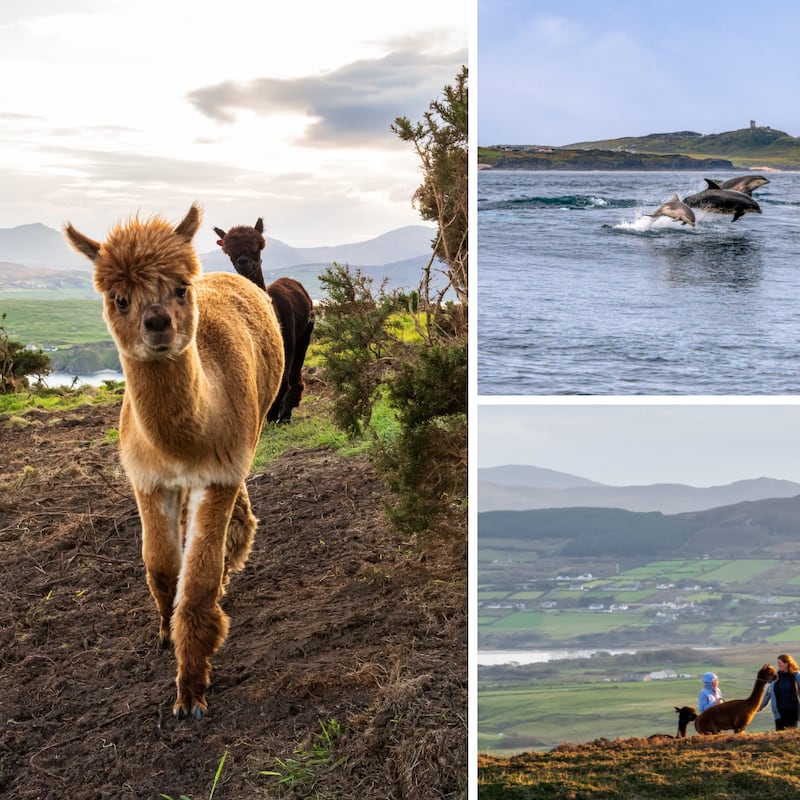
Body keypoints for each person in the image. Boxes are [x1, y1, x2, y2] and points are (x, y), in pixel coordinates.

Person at [760, 654, 800, 730]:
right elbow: (768, 693)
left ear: (786, 664)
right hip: (779, 711)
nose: (778, 665)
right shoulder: (776, 677)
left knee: (790, 734)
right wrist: (761, 706)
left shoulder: (796, 676)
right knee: (779, 734)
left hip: (793, 711)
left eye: (780, 663)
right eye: (778, 663)